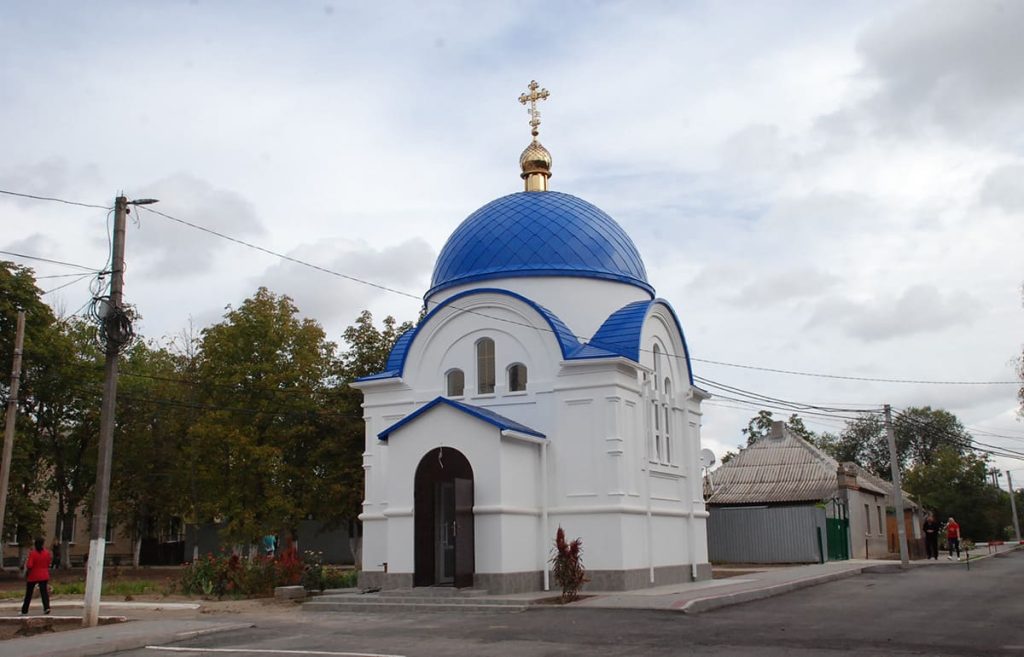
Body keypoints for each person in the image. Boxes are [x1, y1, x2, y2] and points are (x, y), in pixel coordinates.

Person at [21, 537, 52, 615]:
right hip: (44, 575)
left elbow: (29, 565)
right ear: (42, 544)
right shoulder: (46, 553)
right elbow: (48, 563)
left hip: (33, 575)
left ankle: (24, 610)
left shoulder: (33, 553)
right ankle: (46, 607)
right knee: (44, 592)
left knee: (29, 593)